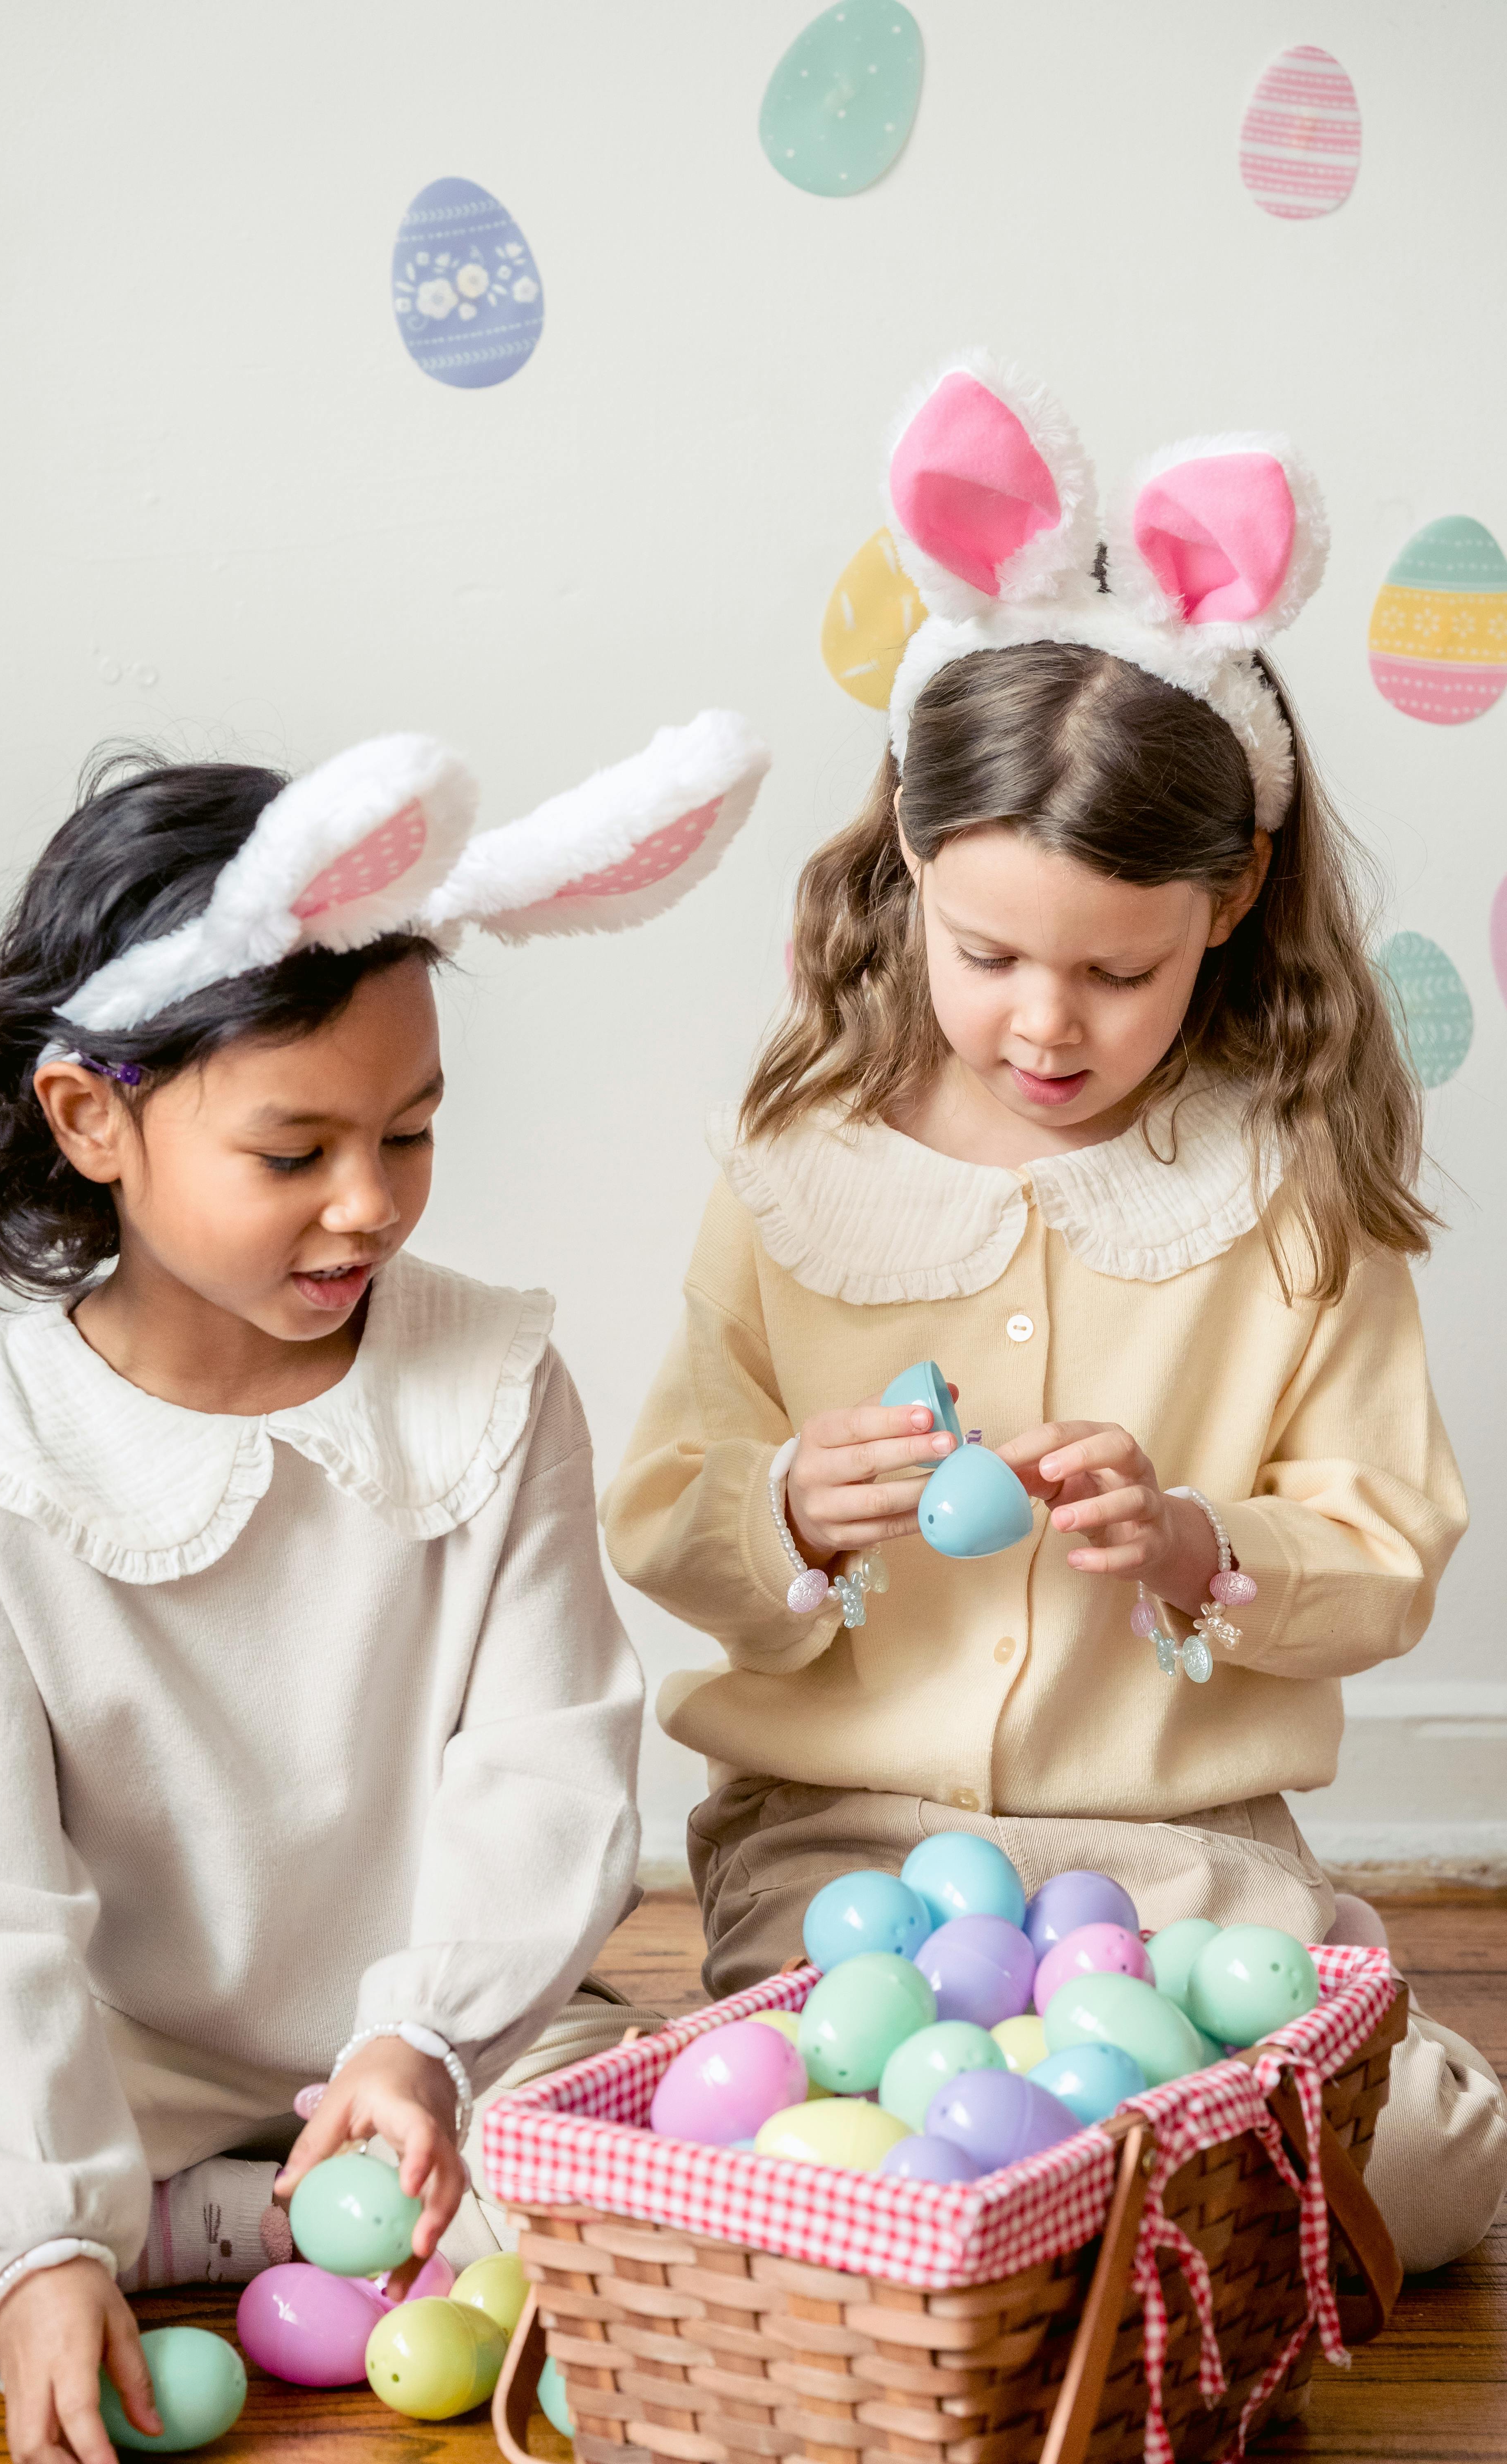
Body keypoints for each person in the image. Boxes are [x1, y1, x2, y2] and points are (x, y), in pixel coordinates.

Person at [603, 352, 1507, 2275]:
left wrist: (1196, 1541)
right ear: (913, 866)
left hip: (1181, 1864)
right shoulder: (797, 1165)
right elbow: (665, 1502)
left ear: (1234, 898)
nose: (1043, 1022)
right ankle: (1057, 2235)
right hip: (850, 1864)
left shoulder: (1283, 1189)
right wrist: (780, 1506)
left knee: (1423, 2162)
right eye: (989, 951)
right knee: (868, 2133)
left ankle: (1063, 2234)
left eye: (1117, 971)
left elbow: (1383, 1548)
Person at [0, 713, 769, 2464]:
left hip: (449, 2036)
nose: (369, 1208)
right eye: (296, 1155)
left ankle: (286, 2199)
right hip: (143, 2052)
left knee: (629, 2181)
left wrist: (423, 2035)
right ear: (90, 1119)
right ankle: (235, 2219)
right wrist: (48, 2239)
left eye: (410, 1136)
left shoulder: (495, 1385)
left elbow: (549, 1763)